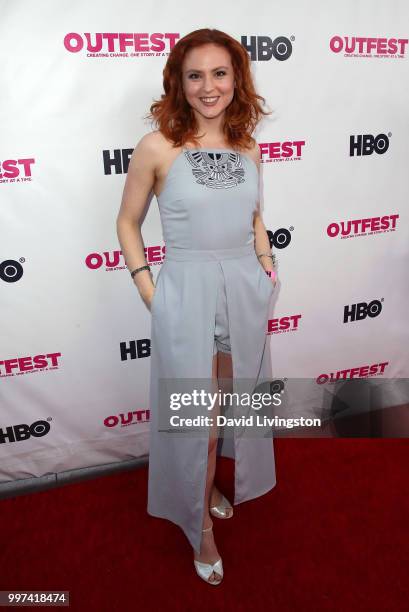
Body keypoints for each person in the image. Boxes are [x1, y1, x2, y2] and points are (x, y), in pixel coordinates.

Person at [116, 28, 278, 586]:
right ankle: (199, 530)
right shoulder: (157, 147)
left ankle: (207, 484)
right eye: (195, 75)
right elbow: (127, 222)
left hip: (242, 292)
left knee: (224, 411)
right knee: (199, 424)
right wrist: (149, 292)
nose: (209, 87)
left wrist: (265, 261)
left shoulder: (249, 146)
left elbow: (255, 216)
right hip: (184, 294)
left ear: (237, 79)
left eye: (220, 73)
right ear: (178, 83)